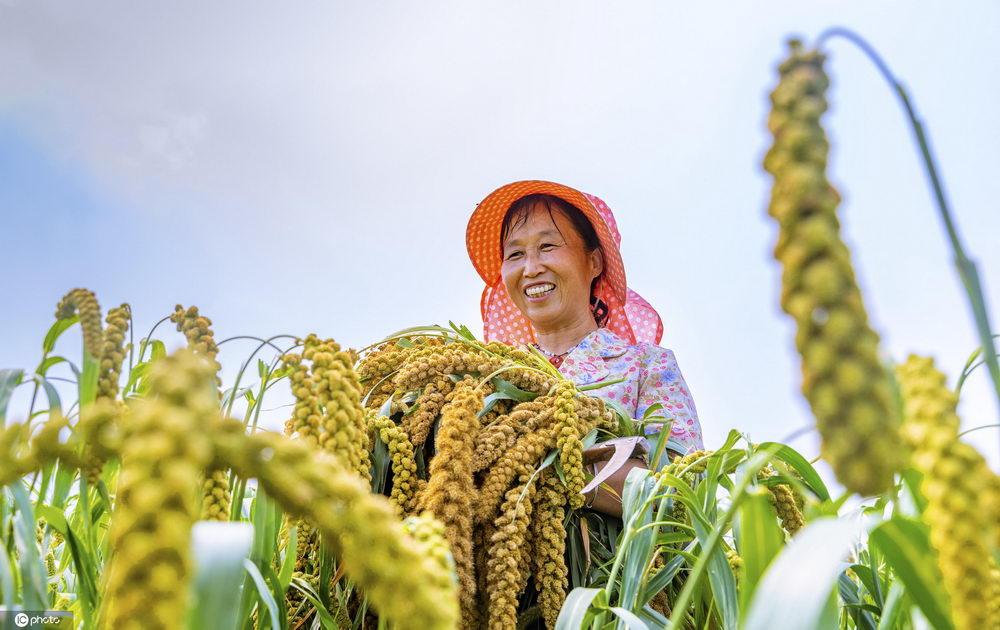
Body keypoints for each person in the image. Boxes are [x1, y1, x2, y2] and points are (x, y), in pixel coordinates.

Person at [466, 180, 704, 517]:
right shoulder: (489, 380)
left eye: (547, 246)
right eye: (515, 253)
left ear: (593, 262)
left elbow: (684, 491)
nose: (531, 268)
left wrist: (543, 463)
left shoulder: (646, 366)